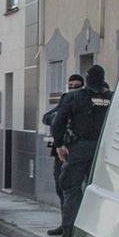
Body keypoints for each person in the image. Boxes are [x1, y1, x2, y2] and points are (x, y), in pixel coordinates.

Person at [50, 63, 112, 237]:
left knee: (70, 189)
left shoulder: (74, 97)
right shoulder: (113, 98)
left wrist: (60, 145)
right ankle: (97, 236)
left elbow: (57, 123)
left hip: (79, 150)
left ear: (87, 79)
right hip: (103, 152)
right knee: (99, 194)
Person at [41, 73, 84, 216]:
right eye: (70, 86)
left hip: (77, 151)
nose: (73, 89)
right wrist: (58, 118)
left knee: (73, 189)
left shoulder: (83, 103)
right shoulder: (65, 101)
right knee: (60, 186)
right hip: (61, 150)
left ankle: (71, 224)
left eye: (76, 87)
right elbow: (47, 117)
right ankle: (64, 221)